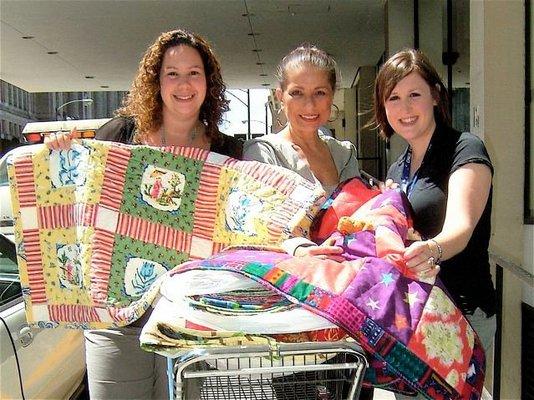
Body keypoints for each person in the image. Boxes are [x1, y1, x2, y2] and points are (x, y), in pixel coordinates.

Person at [46, 28, 242, 399]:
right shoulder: (120, 137)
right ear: (156, 81)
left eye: (194, 72)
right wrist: (60, 154)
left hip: (192, 321)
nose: (184, 84)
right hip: (117, 321)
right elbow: (74, 203)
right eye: (172, 73)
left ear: (208, 82)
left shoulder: (227, 153)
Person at [369, 49, 496, 397]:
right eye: (393, 98)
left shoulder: (464, 148)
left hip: (461, 311)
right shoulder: (399, 167)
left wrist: (432, 248)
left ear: (435, 95)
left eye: (414, 95)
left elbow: (461, 227)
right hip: (410, 316)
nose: (405, 108)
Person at [244, 44, 360, 259]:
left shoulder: (345, 154)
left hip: (346, 266)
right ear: (280, 96)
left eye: (320, 93)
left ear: (332, 96)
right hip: (289, 277)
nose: (309, 105)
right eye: (297, 93)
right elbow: (256, 222)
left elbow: (359, 218)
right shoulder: (263, 152)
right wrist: (298, 249)